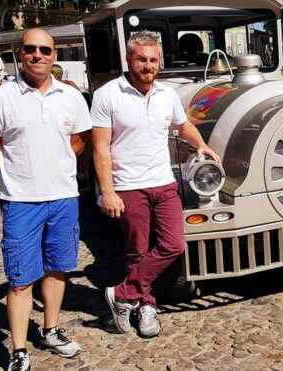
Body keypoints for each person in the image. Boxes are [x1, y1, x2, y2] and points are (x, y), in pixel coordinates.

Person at [91, 31, 220, 338]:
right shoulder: (107, 94)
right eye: (141, 59)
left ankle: (122, 294)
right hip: (129, 185)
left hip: (163, 183)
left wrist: (201, 145)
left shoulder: (166, 94)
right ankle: (146, 306)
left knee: (173, 245)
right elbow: (100, 148)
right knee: (136, 252)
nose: (148, 66)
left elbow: (183, 125)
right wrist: (107, 191)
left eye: (153, 60)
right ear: (129, 59)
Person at [0, 28, 92, 371]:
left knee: (58, 269)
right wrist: (22, 169)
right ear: (20, 53)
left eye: (45, 49)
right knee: (21, 278)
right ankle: (18, 349)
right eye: (31, 49)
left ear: (54, 55)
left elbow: (79, 141)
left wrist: (51, 163)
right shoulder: (1, 97)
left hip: (63, 198)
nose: (38, 55)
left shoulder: (70, 97)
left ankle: (51, 329)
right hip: (20, 202)